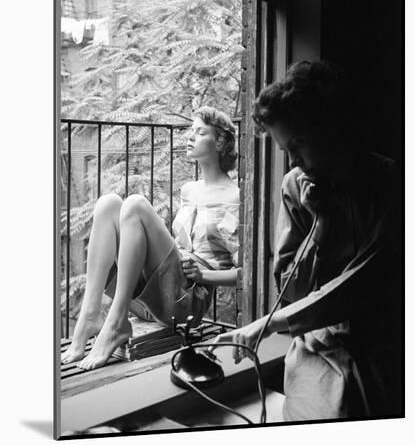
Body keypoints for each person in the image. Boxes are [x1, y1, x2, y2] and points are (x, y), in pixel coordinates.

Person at [212, 61, 402, 421]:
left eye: (299, 145)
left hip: (381, 342)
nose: (294, 161)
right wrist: (321, 225)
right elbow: (291, 289)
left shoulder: (390, 185)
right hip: (317, 343)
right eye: (287, 150)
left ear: (330, 128)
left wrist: (267, 323)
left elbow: (362, 285)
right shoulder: (297, 188)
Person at [61, 106, 240, 370]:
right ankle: (91, 314)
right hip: (152, 299)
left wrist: (203, 276)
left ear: (221, 143)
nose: (189, 137)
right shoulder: (188, 190)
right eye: (190, 131)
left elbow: (245, 273)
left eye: (200, 132)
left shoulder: (234, 196)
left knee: (135, 204)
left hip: (186, 302)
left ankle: (116, 321)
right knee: (108, 204)